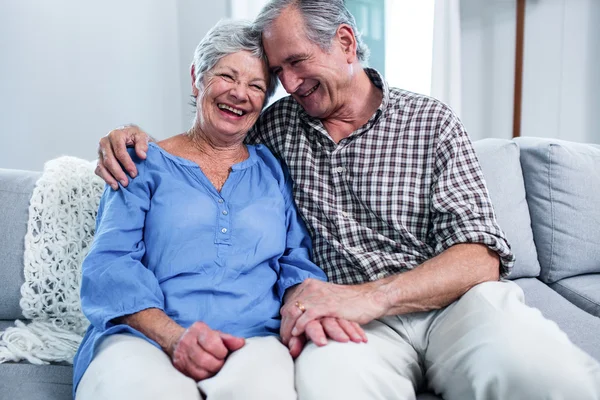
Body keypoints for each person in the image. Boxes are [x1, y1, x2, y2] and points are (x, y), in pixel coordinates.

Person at [96, 1, 600, 399]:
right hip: (351, 325)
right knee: (331, 389)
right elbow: (206, 145)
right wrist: (127, 135)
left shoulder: (430, 121)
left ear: (344, 42)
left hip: (454, 306)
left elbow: (482, 255)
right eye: (280, 71)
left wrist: (370, 296)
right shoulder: (275, 129)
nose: (286, 86)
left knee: (545, 376)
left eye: (294, 64)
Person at [74, 19, 367, 400]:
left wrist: (304, 308)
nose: (240, 94)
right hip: (143, 337)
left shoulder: (271, 168)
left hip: (254, 340)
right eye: (227, 76)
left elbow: (295, 261)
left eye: (257, 86)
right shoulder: (141, 161)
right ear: (198, 77)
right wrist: (173, 337)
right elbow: (110, 265)